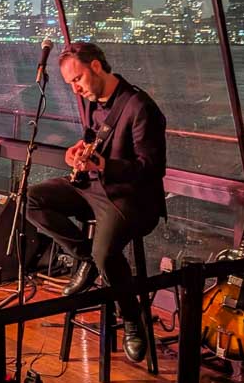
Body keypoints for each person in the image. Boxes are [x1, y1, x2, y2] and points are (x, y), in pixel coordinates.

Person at [25, 42, 167, 364]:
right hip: (93, 187)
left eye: (78, 80)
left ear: (97, 67)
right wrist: (78, 149)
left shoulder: (140, 107)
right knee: (32, 199)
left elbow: (153, 169)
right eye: (70, 84)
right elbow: (92, 135)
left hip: (131, 197)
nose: (76, 89)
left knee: (108, 252)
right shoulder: (92, 99)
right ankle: (85, 257)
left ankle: (132, 318)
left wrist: (104, 165)